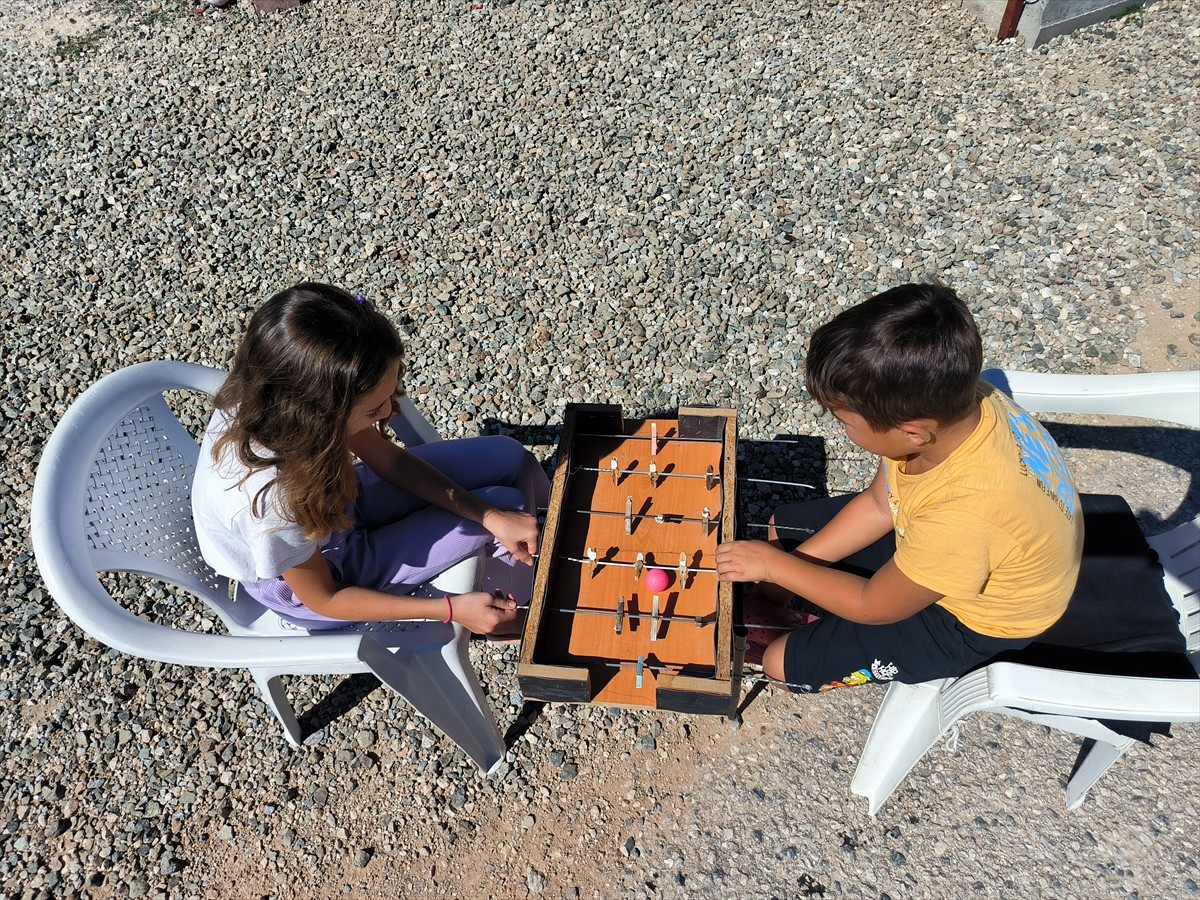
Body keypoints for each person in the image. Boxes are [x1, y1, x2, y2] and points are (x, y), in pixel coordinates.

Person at [716, 283, 1084, 692]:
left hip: (971, 620)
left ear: (913, 433)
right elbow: (880, 504)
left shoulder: (968, 513)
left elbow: (872, 605)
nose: (842, 430)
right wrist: (785, 571)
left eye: (846, 422)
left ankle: (812, 641)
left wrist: (774, 567)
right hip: (948, 544)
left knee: (779, 663)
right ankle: (807, 605)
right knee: (783, 529)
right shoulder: (958, 406)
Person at [192, 282, 550, 637]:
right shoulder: (273, 503)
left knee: (507, 456)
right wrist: (450, 609)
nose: (389, 411)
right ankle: (524, 614)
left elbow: (390, 463)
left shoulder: (290, 397)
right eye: (375, 408)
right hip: (325, 576)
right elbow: (325, 599)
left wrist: (487, 515)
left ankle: (550, 528)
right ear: (320, 413)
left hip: (332, 506)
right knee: (506, 503)